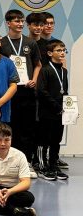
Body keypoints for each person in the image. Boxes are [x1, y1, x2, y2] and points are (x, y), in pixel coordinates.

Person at [0, 9, 42, 171]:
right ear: (8, 23)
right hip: (10, 91)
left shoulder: (31, 43)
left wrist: (34, 80)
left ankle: (26, 162)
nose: (20, 24)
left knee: (27, 127)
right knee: (11, 126)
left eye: (22, 21)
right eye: (17, 21)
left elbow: (38, 65)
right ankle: (10, 161)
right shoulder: (1, 43)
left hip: (27, 91)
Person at [36, 40, 69, 180]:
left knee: (56, 140)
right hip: (47, 112)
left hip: (60, 113)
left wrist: (70, 108)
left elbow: (64, 91)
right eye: (58, 50)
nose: (62, 53)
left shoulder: (64, 71)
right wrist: (56, 106)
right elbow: (41, 91)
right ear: (50, 53)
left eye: (63, 50)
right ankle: (43, 167)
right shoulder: (45, 70)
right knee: (44, 140)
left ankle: (53, 165)